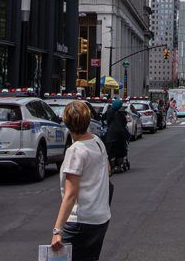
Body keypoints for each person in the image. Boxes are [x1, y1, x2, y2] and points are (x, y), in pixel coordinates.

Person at [52, 100, 110, 260]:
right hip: (100, 217)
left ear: (66, 122)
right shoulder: (97, 142)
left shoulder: (75, 151)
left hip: (79, 221)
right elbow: (108, 170)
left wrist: (57, 230)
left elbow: (71, 195)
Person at [103, 97, 129, 165]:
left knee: (109, 149)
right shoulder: (121, 115)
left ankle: (110, 162)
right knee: (122, 148)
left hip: (111, 136)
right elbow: (124, 123)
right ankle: (119, 161)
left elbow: (104, 119)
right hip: (121, 136)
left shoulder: (109, 112)